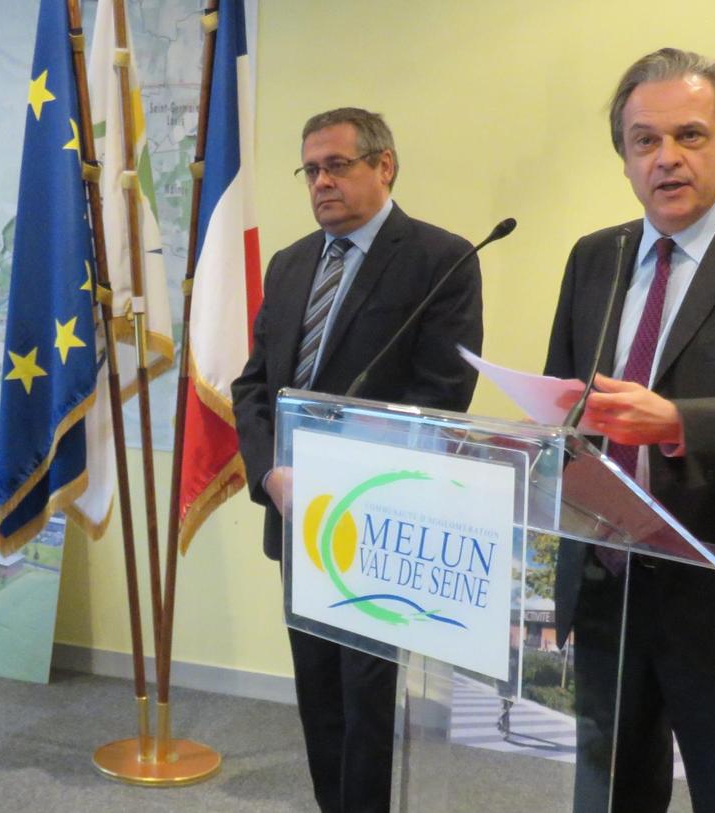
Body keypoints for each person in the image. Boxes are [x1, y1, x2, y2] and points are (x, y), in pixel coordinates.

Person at [544, 47, 715, 813]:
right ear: (625, 158)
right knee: (609, 795)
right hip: (611, 582)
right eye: (645, 140)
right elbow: (567, 407)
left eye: (690, 136)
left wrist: (679, 422)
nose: (666, 158)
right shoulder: (594, 257)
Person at [233, 107, 483, 813]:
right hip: (293, 509)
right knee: (317, 693)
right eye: (310, 169)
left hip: (375, 517)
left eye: (337, 165)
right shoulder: (288, 265)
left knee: (366, 698)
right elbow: (255, 385)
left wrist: (340, 476)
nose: (321, 182)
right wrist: (267, 473)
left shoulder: (441, 259)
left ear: (384, 165)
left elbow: (440, 394)